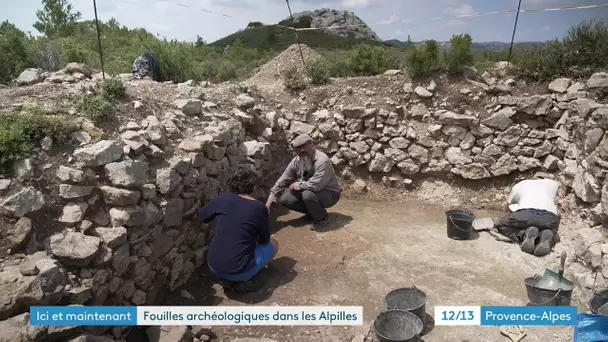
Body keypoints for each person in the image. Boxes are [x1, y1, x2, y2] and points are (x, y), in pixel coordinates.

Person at [199, 165, 279, 292]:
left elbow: (203, 216)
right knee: (274, 244)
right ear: (253, 186)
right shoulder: (259, 208)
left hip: (213, 266)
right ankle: (244, 280)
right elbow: (264, 240)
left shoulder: (223, 198)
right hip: (239, 271)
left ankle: (226, 278)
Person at [265, 134, 341, 230]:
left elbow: (315, 185)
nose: (301, 150)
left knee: (307, 194)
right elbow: (283, 179)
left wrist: (296, 185)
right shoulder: (296, 161)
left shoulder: (322, 160)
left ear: (311, 144)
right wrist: (268, 204)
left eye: (303, 146)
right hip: (310, 191)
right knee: (285, 199)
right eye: (298, 148)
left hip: (330, 194)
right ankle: (313, 213)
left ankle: (322, 219)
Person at [494, 176, 561, 257]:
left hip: (526, 214)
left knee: (499, 224)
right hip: (549, 218)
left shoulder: (520, 184)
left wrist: (506, 216)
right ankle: (544, 234)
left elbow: (506, 205)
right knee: (544, 225)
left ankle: (524, 234)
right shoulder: (553, 184)